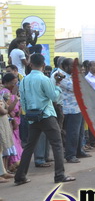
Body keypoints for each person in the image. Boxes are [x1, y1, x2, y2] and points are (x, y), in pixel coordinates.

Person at [13, 53, 75, 185]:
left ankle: (20, 176)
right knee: (57, 144)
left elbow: (23, 99)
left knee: (29, 146)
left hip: (32, 116)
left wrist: (27, 113)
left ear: (30, 64)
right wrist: (57, 86)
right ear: (44, 64)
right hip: (46, 115)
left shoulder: (24, 80)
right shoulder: (44, 79)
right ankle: (59, 175)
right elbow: (53, 97)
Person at [60, 58, 91, 163]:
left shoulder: (73, 76)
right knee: (72, 133)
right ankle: (70, 154)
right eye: (71, 66)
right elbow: (76, 87)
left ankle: (79, 151)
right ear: (64, 66)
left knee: (80, 132)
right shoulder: (61, 76)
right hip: (70, 109)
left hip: (78, 107)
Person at [1, 73, 22, 174]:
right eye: (13, 83)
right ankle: (12, 165)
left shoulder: (8, 92)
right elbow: (7, 109)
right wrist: (13, 119)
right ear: (8, 82)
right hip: (11, 120)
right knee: (11, 143)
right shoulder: (5, 92)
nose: (15, 85)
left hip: (14, 119)